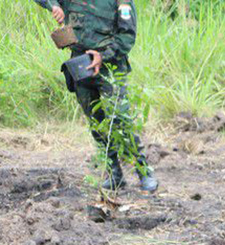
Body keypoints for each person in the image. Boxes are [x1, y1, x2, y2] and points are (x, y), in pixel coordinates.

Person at [31, 0, 158, 192]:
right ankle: (114, 173)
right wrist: (54, 6)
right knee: (96, 122)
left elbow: (127, 36)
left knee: (120, 120)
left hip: (110, 67)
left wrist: (103, 56)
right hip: (81, 65)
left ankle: (143, 172)